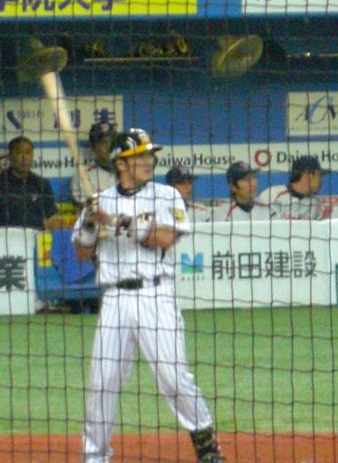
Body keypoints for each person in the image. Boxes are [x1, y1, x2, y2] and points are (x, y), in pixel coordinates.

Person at [72, 128, 224, 463]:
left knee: (173, 376)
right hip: (114, 299)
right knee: (102, 381)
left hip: (156, 295)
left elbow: (165, 238)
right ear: (120, 163)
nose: (149, 160)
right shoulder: (100, 201)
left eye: (149, 154)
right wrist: (90, 222)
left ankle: (206, 445)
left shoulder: (166, 195)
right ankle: (94, 456)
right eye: (140, 155)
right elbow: (82, 253)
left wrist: (116, 222)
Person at [0, 136, 61, 230]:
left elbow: (52, 217)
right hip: (5, 237)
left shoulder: (42, 184)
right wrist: (2, 237)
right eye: (19, 152)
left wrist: (46, 235)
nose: (24, 157)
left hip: (35, 237)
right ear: (10, 156)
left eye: (28, 153)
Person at [70, 120, 117, 206]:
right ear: (93, 147)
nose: (109, 146)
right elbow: (88, 208)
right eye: (103, 143)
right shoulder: (83, 176)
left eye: (112, 141)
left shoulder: (127, 171)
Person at [212, 161, 276, 222]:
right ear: (233, 187)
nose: (252, 183)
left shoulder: (270, 211)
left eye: (253, 177)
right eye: (246, 179)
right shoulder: (222, 214)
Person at [270, 155, 329, 220]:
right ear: (309, 174)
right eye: (320, 175)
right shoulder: (274, 194)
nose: (321, 180)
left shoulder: (316, 203)